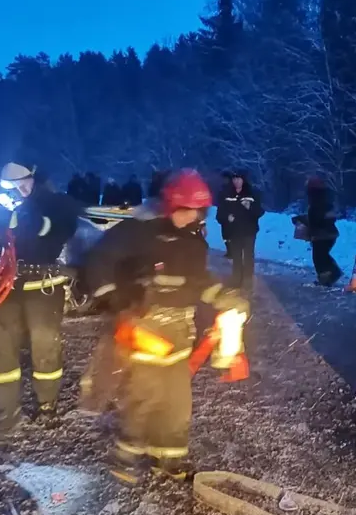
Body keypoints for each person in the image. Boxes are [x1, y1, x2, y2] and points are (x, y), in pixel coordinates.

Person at [82, 169, 248, 483]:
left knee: (176, 400)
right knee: (144, 394)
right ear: (171, 204)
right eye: (186, 210)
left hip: (179, 331)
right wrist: (115, 298)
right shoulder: (138, 231)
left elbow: (197, 280)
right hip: (144, 327)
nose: (192, 217)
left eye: (197, 211)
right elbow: (98, 261)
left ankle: (169, 458)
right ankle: (126, 456)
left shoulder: (192, 241)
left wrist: (224, 297)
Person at [0, 161, 81, 438]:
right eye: (12, 186)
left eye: (24, 183)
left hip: (43, 285)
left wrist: (22, 213)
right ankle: (6, 410)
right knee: (1, 347)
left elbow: (54, 232)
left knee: (45, 345)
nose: (19, 189)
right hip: (5, 286)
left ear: (33, 179)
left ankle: (47, 405)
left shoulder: (55, 203)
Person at [216, 170, 263, 291]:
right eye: (234, 179)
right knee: (236, 256)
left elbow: (259, 212)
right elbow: (219, 214)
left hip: (249, 231)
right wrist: (226, 218)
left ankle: (248, 279)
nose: (236, 181)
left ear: (244, 180)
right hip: (234, 231)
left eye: (239, 179)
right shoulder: (226, 194)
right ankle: (236, 278)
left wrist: (250, 207)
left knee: (248, 256)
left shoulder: (252, 193)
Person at [306, 176, 342, 286]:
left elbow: (317, 218)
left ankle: (330, 276)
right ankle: (330, 275)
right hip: (329, 233)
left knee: (319, 257)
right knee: (322, 255)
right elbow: (328, 216)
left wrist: (306, 222)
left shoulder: (316, 202)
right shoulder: (325, 200)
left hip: (322, 234)